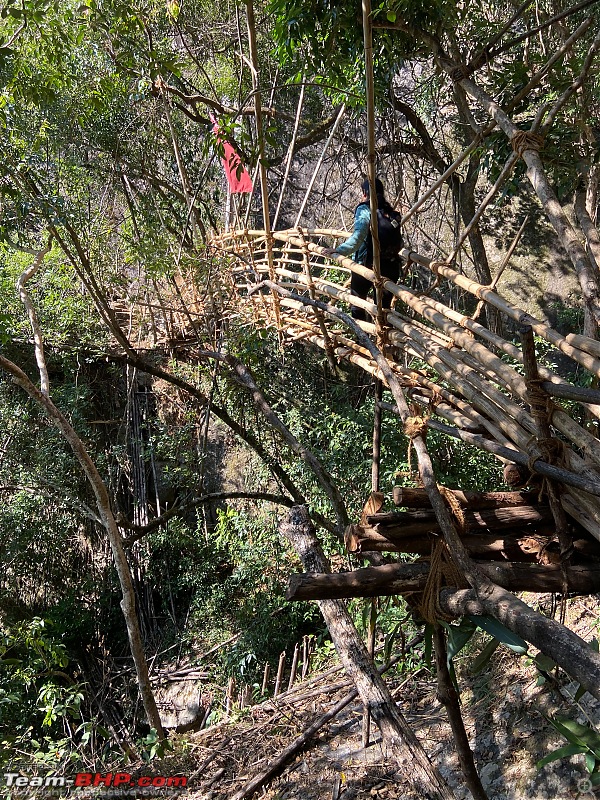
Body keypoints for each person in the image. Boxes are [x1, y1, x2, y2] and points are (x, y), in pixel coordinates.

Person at [323, 178, 402, 321]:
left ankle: (362, 340)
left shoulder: (365, 209)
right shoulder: (390, 212)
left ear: (365, 193)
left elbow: (359, 236)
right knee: (383, 309)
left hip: (366, 266)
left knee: (357, 305)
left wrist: (339, 250)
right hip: (391, 266)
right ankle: (383, 340)